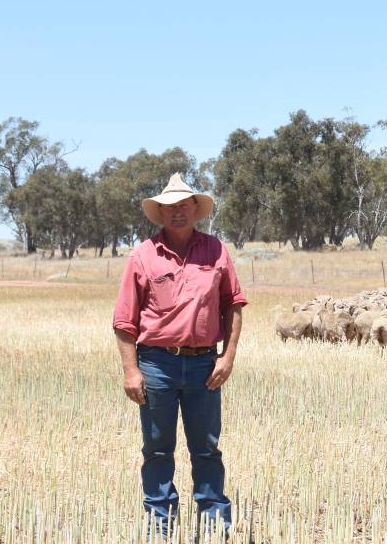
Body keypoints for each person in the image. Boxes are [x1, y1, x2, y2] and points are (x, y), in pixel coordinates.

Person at [112, 172, 247, 535]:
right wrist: (131, 371)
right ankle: (160, 524)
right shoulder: (143, 256)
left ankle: (215, 523)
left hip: (206, 363)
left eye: (183, 206)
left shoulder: (216, 251)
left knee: (207, 448)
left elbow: (233, 305)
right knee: (157, 448)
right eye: (170, 207)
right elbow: (124, 320)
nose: (177, 213)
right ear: (160, 213)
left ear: (195, 210)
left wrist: (228, 356)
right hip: (157, 364)